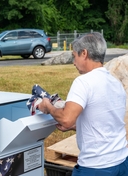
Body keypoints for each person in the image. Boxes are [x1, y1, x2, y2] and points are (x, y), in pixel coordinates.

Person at [38, 32, 128, 176]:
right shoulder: (115, 82)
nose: (74, 62)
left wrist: (47, 106)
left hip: (96, 167)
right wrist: (77, 126)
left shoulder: (83, 82)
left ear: (84, 53)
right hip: (122, 162)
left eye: (74, 56)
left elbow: (66, 119)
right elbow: (106, 121)